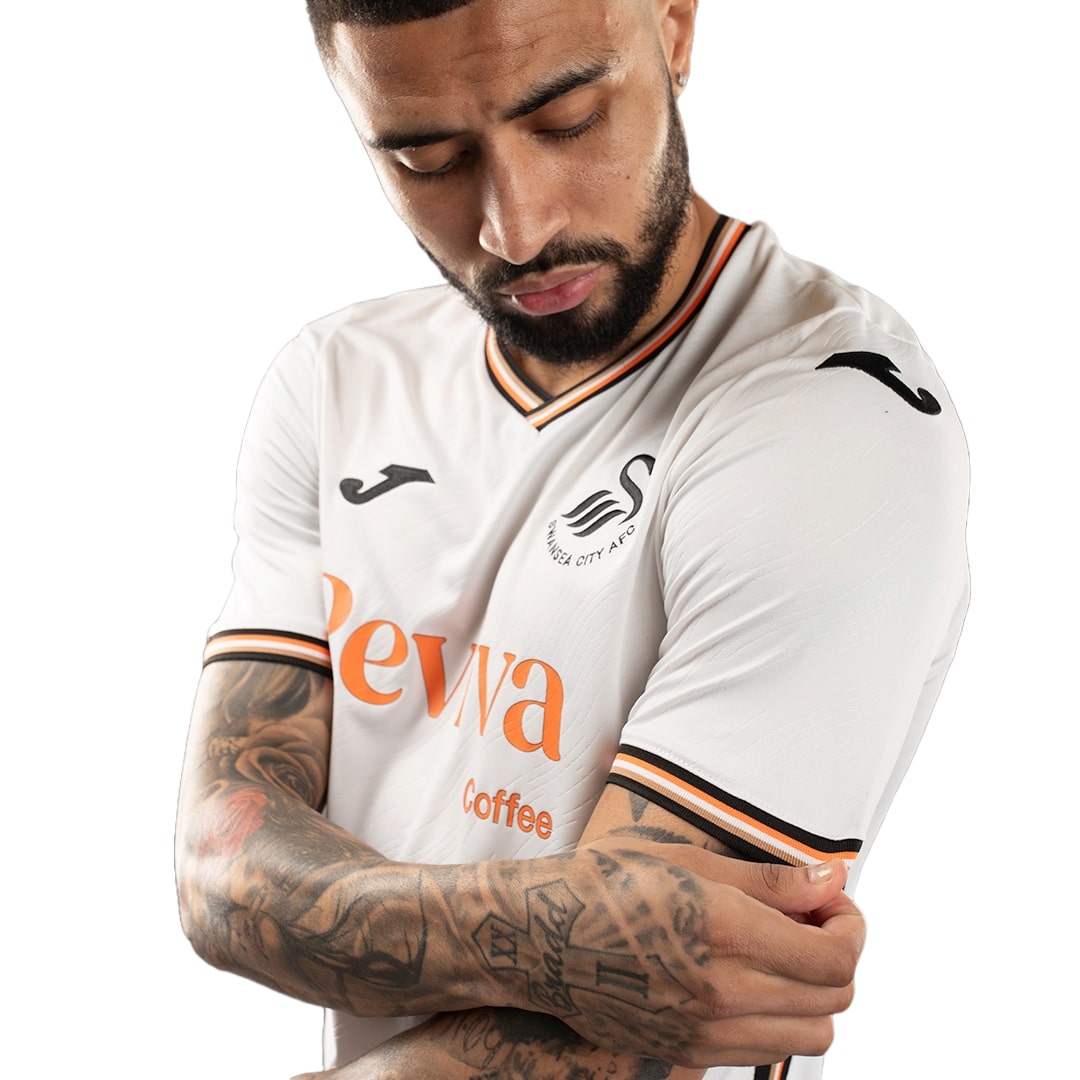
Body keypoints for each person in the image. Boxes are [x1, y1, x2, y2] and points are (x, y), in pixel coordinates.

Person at [175, 2, 969, 1078]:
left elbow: (655, 1015)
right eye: (428, 160)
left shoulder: (841, 412)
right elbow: (222, 874)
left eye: (567, 120)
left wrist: (355, 909)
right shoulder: (336, 379)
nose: (517, 228)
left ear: (674, 27)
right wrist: (556, 940)